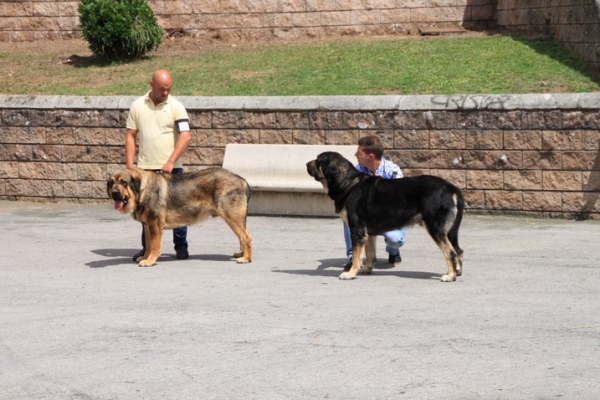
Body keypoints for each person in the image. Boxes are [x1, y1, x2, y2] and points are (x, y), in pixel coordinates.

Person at [125, 69, 192, 261]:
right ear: (151, 84)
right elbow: (130, 135)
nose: (165, 93)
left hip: (172, 170)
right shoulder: (137, 106)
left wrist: (171, 161)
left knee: (178, 209)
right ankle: (148, 248)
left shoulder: (176, 106)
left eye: (168, 89)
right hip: (145, 170)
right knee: (145, 213)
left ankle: (181, 246)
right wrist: (130, 167)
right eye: (162, 89)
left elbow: (186, 135)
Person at [343, 135, 407, 270]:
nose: (355, 155)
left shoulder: (393, 171)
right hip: (366, 215)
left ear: (370, 157)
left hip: (389, 217)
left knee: (395, 240)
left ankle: (393, 252)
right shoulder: (357, 170)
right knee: (349, 213)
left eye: (359, 153)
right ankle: (353, 256)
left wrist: (383, 187)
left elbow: (400, 201)